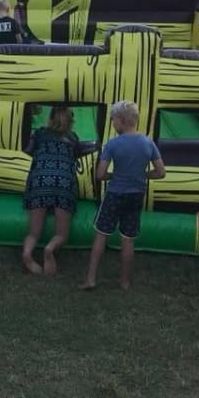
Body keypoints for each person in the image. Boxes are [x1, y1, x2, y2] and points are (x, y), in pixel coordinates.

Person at [80, 101, 165, 290]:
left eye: (113, 120)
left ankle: (91, 279)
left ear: (122, 120)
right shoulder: (147, 143)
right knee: (128, 239)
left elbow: (100, 174)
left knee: (101, 234)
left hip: (115, 194)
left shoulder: (113, 144)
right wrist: (143, 175)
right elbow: (161, 172)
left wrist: (113, 175)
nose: (112, 123)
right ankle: (125, 282)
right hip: (136, 195)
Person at [21, 105, 80, 276]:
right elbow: (77, 155)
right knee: (61, 234)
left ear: (50, 118)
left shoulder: (39, 133)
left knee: (33, 233)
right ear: (71, 122)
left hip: (40, 180)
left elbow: (27, 150)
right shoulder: (73, 138)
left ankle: (27, 254)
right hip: (64, 182)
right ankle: (50, 248)